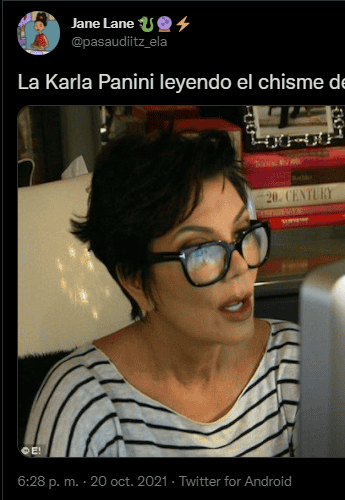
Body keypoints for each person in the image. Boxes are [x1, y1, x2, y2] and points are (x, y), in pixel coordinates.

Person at [24, 130, 300, 457]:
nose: (240, 265)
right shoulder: (80, 404)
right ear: (136, 280)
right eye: (201, 250)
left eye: (242, 233)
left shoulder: (298, 362)